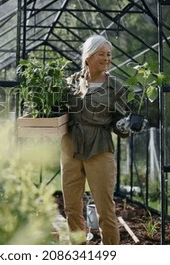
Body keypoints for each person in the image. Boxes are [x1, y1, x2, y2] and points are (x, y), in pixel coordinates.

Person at [60, 34, 134, 245]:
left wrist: (125, 126)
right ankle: (79, 249)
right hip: (70, 147)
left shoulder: (115, 87)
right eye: (101, 54)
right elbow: (57, 110)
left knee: (105, 208)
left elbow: (121, 122)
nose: (106, 58)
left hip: (99, 148)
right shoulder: (72, 82)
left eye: (109, 54)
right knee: (72, 207)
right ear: (88, 57)